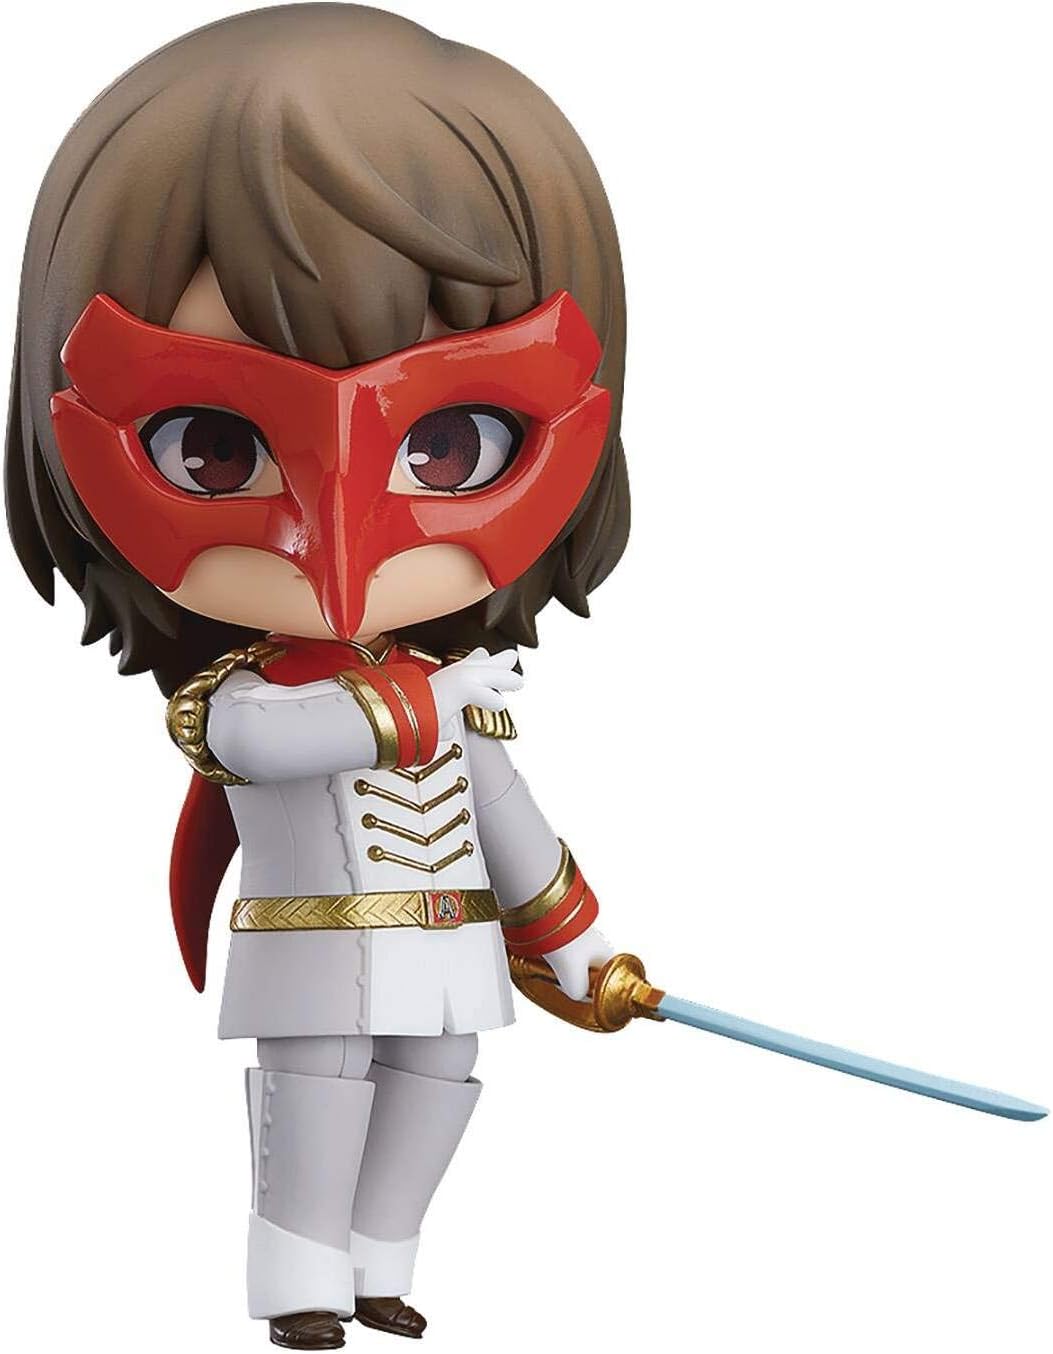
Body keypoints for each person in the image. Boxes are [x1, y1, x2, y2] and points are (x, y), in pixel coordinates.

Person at [5, 5, 631, 1347]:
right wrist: (416, 706)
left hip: (449, 947)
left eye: (451, 446)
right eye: (211, 448)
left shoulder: (459, 695)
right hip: (311, 949)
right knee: (321, 1098)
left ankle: (381, 1260)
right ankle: (297, 1276)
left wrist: (577, 943)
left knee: (435, 1089)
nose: (341, 556)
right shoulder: (244, 699)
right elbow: (273, 745)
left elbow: (507, 819)